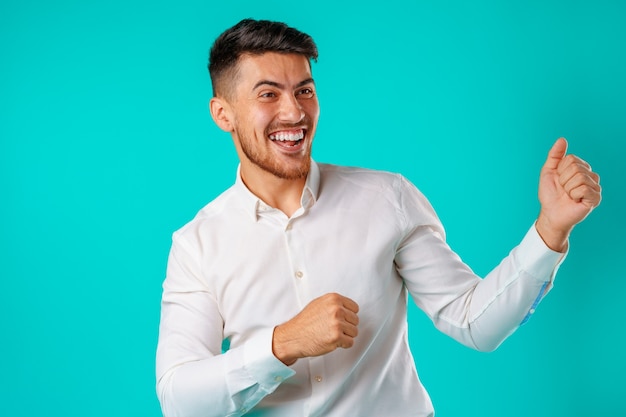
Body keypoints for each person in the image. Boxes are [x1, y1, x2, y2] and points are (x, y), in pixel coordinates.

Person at [155, 19, 602, 417]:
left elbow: (473, 322)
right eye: (268, 94)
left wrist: (551, 228)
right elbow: (180, 400)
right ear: (223, 114)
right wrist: (283, 343)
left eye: (304, 91)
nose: (293, 112)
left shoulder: (387, 198)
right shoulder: (197, 244)